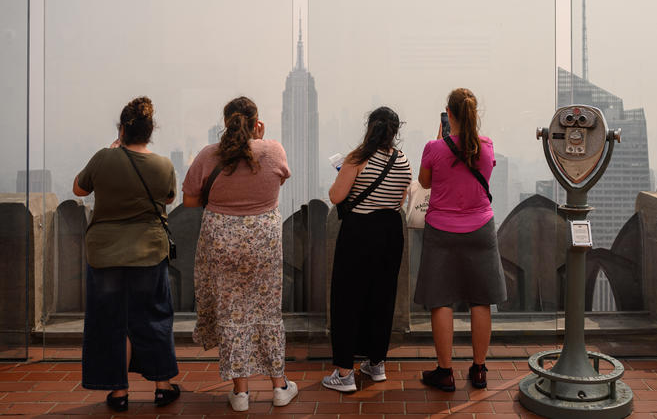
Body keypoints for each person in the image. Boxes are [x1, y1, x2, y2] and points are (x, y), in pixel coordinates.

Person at [182, 96, 296, 411]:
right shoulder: (273, 150)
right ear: (256, 122)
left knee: (232, 312)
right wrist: (258, 140)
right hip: (263, 242)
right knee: (267, 311)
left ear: (226, 122)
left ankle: (241, 393)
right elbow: (280, 179)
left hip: (221, 241)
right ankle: (280, 387)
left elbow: (190, 201)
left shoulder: (208, 154)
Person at [74, 96, 180, 412]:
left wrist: (113, 150)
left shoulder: (103, 158)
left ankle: (119, 392)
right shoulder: (163, 164)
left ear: (122, 129)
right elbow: (170, 197)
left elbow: (80, 190)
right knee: (154, 317)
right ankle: (162, 387)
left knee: (108, 322)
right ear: (150, 132)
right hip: (149, 252)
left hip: (105, 255)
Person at [414, 88, 507, 391]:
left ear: (448, 115)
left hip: (441, 231)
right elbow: (483, 174)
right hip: (480, 228)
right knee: (480, 300)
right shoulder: (487, 146)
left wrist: (440, 142)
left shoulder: (434, 147)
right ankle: (479, 370)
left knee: (441, 301)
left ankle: (445, 372)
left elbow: (425, 182)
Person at [322, 106, 412, 392]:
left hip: (359, 233)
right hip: (390, 233)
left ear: (370, 128)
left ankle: (345, 373)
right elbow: (399, 202)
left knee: (347, 299)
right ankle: (376, 364)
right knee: (382, 298)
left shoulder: (357, 158)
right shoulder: (403, 161)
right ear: (395, 131)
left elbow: (337, 196)